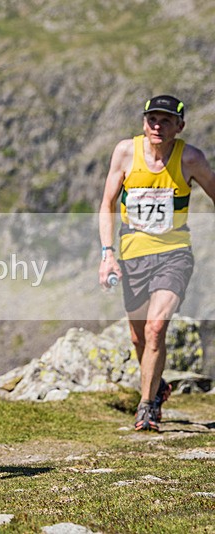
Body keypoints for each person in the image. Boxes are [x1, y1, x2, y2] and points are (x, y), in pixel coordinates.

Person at [99, 95, 215, 431]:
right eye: (152, 119)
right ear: (143, 122)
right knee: (138, 338)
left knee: (155, 328)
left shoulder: (190, 158)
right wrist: (107, 254)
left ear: (180, 126)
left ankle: (147, 406)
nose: (157, 126)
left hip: (174, 253)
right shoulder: (125, 153)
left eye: (166, 121)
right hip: (132, 252)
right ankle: (158, 385)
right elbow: (106, 204)